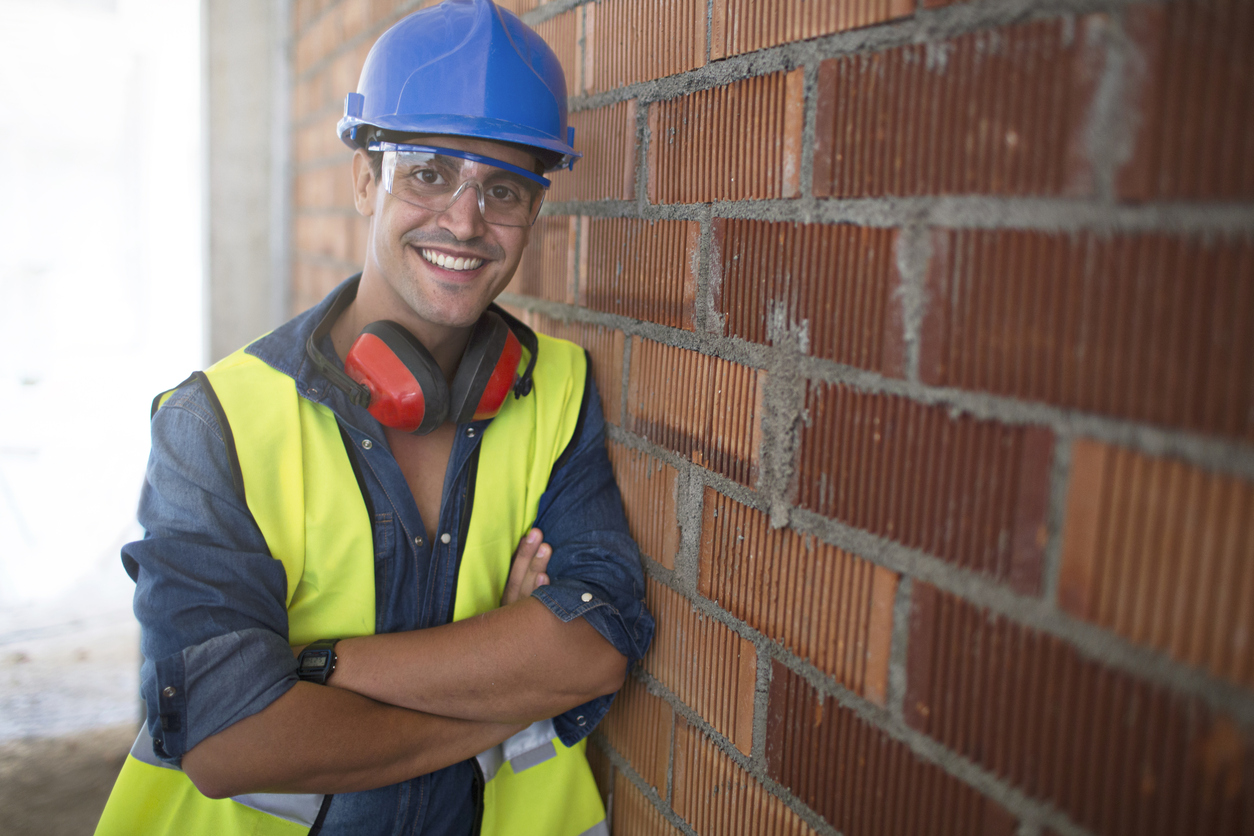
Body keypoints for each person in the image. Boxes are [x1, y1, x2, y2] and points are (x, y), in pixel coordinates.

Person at [94, 1, 653, 833]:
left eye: (502, 189)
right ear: (365, 178)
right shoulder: (214, 424)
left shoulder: (561, 391)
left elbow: (599, 642)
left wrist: (317, 666)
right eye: (428, 173)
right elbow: (228, 741)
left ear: (534, 209)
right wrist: (503, 666)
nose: (465, 222)